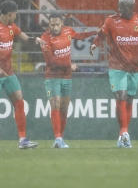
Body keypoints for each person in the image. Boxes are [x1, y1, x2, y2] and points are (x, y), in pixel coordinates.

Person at [90, 0, 138, 148]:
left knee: (129, 99)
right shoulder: (111, 21)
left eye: (122, 7)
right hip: (116, 66)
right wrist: (95, 44)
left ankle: (123, 135)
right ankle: (124, 132)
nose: (119, 9)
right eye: (118, 6)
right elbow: (101, 35)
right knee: (121, 95)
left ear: (131, 8)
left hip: (134, 67)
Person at [0, 0, 44, 150]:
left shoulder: (12, 27)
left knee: (19, 103)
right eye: (15, 14)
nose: (16, 17)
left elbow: (25, 38)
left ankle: (23, 139)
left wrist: (35, 39)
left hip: (9, 74)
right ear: (10, 13)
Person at [40, 13, 97, 148]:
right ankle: (57, 138)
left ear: (62, 24)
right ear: (49, 25)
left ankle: (61, 138)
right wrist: (70, 66)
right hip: (52, 76)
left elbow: (81, 36)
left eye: (57, 24)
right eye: (52, 25)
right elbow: (51, 62)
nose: (54, 27)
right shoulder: (45, 38)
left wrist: (95, 32)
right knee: (55, 104)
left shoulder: (68, 32)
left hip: (66, 77)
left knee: (64, 107)